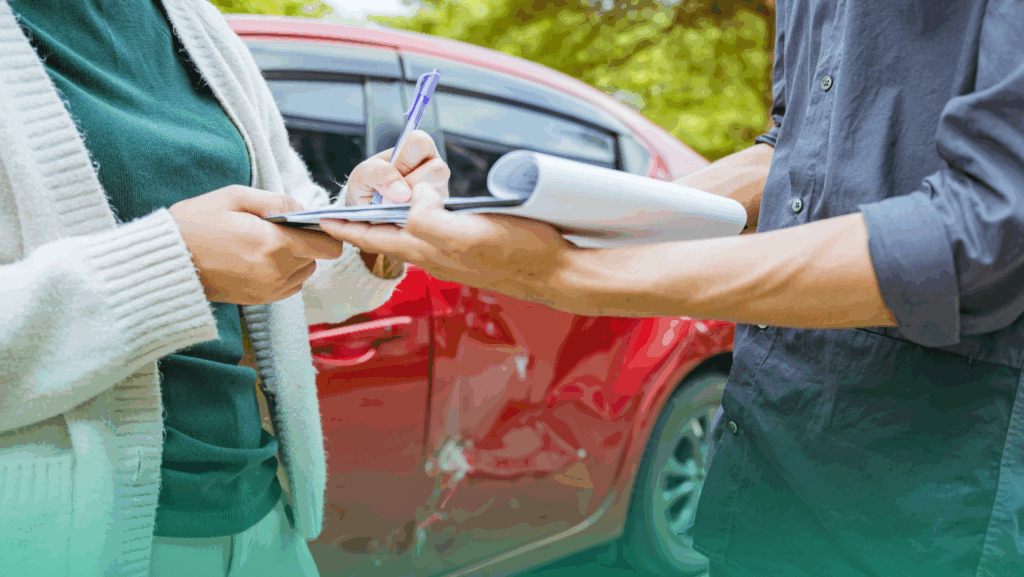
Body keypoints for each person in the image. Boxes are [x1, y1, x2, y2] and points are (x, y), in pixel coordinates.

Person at [322, 1, 1024, 576]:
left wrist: (575, 275)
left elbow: (988, 226)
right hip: (767, 452)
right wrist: (590, 222)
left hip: (927, 492)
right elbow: (794, 149)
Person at [0, 0, 449, 575]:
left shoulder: (195, 21)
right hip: (56, 545)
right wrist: (172, 265)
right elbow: (199, 260)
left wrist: (368, 228)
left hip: (262, 520)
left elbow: (277, 253)